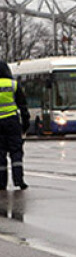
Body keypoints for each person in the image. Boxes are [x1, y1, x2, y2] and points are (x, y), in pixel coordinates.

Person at [0, 62, 30, 190]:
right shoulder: (13, 85)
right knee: (16, 151)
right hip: (12, 121)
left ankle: (1, 183)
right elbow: (23, 106)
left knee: (0, 154)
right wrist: (25, 123)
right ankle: (19, 180)